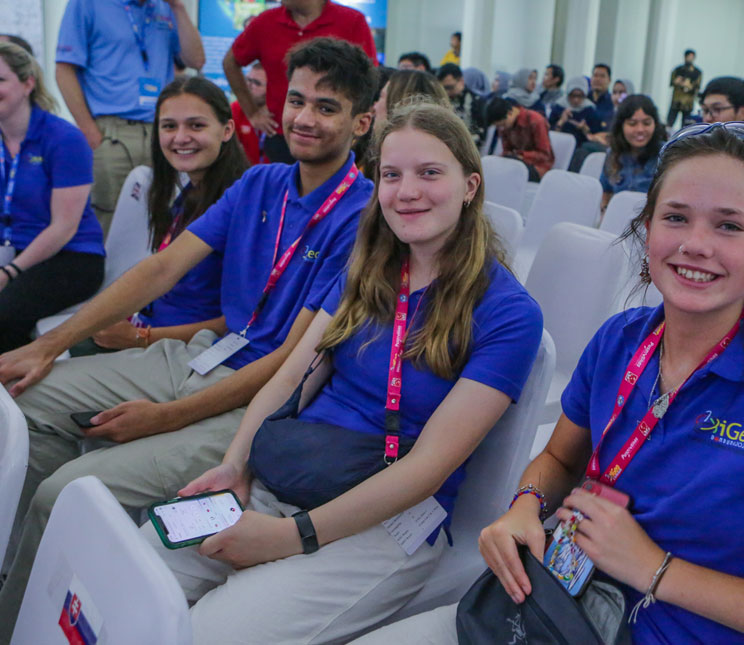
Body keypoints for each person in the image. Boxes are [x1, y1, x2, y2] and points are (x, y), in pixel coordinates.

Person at [353, 121, 744, 644]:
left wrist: (655, 570)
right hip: (554, 608)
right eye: (676, 217)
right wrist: (522, 507)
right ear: (647, 227)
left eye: (729, 226)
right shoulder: (621, 340)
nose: (696, 244)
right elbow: (561, 461)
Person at [0, 37, 378, 639]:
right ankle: (24, 586)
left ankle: (23, 623)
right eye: (298, 99)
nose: (305, 118)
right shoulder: (261, 183)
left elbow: (289, 362)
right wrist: (47, 345)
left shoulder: (365, 218)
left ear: (362, 121)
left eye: (327, 107)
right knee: (23, 399)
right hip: (197, 356)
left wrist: (166, 417)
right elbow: (160, 269)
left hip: (257, 401)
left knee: (65, 492)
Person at [142, 100, 543, 644]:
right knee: (141, 568)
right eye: (391, 175)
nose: (407, 191)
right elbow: (289, 379)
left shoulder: (507, 312)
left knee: (212, 634)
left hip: (389, 514)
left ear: (470, 185)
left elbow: (426, 469)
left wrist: (290, 537)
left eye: (430, 173)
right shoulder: (368, 272)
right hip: (298, 471)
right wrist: (235, 466)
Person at [76, 76, 249, 356]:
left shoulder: (243, 206)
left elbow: (236, 322)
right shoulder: (187, 192)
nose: (180, 138)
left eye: (196, 125)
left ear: (227, 129)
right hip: (149, 333)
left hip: (182, 352)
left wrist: (139, 337)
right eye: (169, 126)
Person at [55, 0, 205, 237]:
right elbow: (64, 69)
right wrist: (90, 132)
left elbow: (196, 60)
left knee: (165, 218)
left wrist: (178, 8)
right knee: (110, 222)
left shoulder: (164, 7)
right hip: (111, 132)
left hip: (162, 131)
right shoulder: (87, 4)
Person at [0, 42, 104, 353]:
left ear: (28, 83)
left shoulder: (64, 139)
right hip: (16, 251)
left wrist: (9, 273)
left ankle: (13, 391)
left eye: (0, 80)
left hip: (72, 258)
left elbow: (64, 227)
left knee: (4, 314)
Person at [224, 0, 377, 164]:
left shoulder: (352, 21)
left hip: (333, 137)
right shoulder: (266, 21)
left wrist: (357, 127)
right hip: (282, 137)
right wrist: (252, 113)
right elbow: (230, 62)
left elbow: (368, 80)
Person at [599, 94, 666, 209]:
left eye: (647, 123)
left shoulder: (667, 155)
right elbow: (606, 193)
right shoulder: (613, 154)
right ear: (621, 126)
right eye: (632, 124)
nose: (640, 130)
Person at [486, 97, 554, 181]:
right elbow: (507, 150)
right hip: (515, 162)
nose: (502, 128)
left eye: (503, 124)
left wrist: (522, 155)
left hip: (538, 167)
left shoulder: (535, 120)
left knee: (508, 173)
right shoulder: (504, 126)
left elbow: (545, 155)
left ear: (510, 113)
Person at [437, 63, 486, 145]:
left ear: (461, 81)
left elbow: (482, 134)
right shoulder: (439, 100)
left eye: (449, 88)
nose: (446, 92)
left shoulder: (477, 101)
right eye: (442, 88)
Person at [548, 76, 602, 147]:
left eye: (580, 96)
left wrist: (585, 130)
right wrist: (561, 122)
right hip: (558, 145)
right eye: (573, 95)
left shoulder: (590, 110)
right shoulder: (559, 107)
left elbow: (596, 136)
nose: (576, 100)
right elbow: (549, 133)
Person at [231, 62, 268, 165]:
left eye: (256, 83)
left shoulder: (281, 113)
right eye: (248, 80)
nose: (248, 86)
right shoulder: (236, 109)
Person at [667, 49, 702, 129]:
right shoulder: (677, 70)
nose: (690, 59)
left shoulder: (697, 73)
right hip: (676, 100)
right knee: (669, 122)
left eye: (691, 57)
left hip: (687, 103)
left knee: (685, 125)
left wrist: (689, 85)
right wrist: (677, 82)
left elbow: (697, 88)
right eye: (688, 57)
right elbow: (671, 82)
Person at [590, 64, 615, 130]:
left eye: (602, 76)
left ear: (609, 80)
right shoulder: (583, 98)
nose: (598, 79)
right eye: (595, 75)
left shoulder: (612, 102)